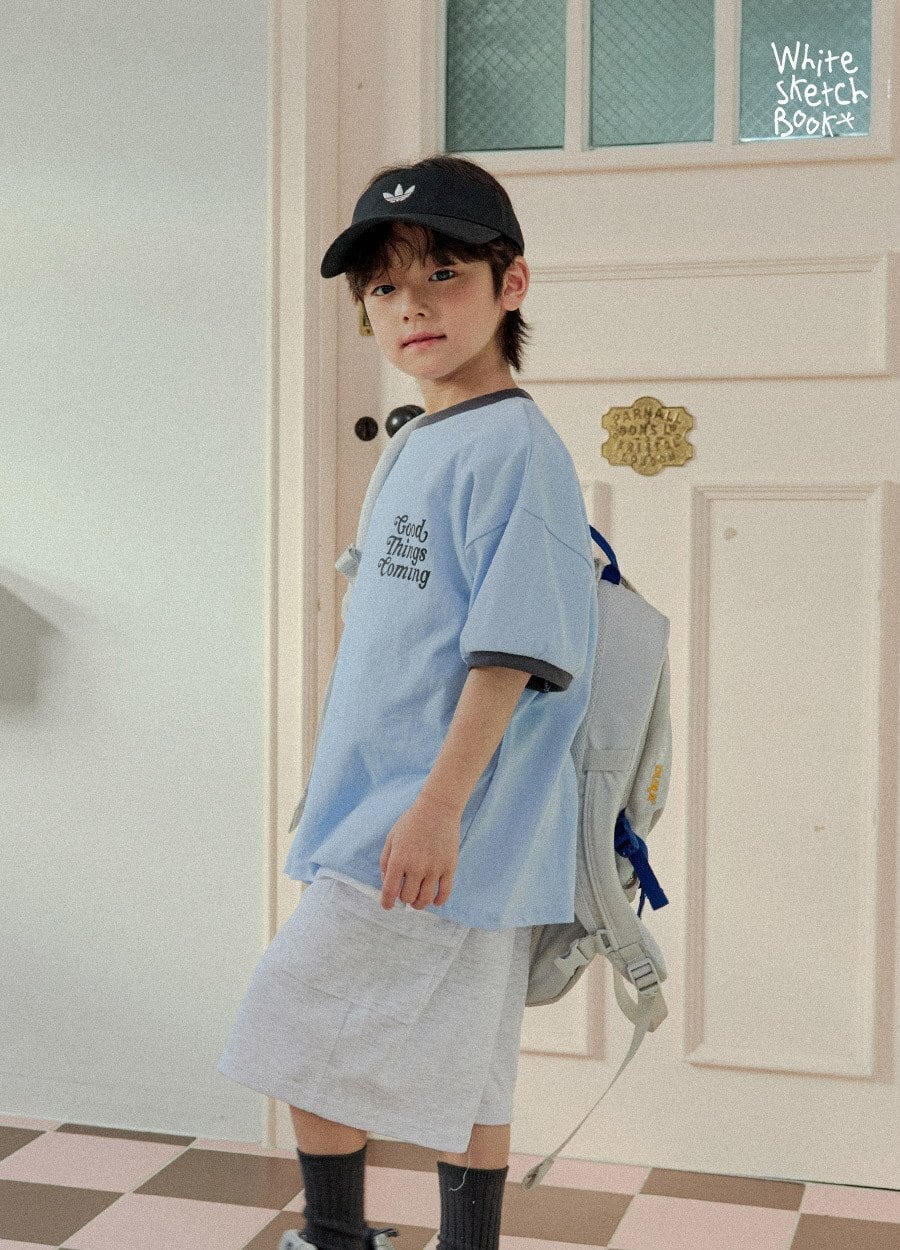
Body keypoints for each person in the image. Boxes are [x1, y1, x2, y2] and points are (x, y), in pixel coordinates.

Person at [216, 153, 598, 1250]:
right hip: (397, 811)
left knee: (298, 1022)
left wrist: (435, 808)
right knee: (463, 1058)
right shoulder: (423, 437)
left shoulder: (515, 448)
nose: (412, 306)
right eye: (384, 285)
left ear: (510, 283)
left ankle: (334, 1238)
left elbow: (509, 656)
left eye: (443, 274)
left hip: (434, 824)